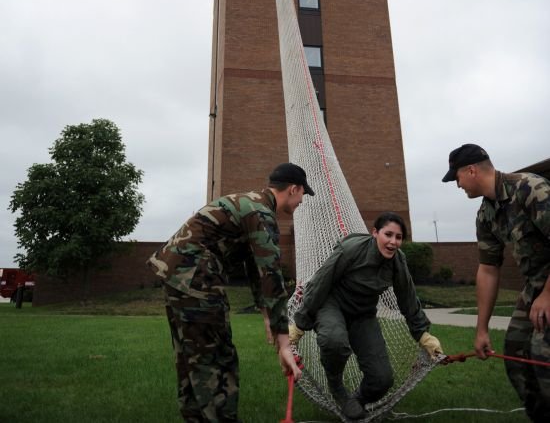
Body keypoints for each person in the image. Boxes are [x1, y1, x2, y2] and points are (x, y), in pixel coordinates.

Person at [148, 162, 313, 422]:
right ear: (293, 189)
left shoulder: (250, 203)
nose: (302, 200)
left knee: (193, 353)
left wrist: (267, 316)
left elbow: (255, 267)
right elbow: (270, 274)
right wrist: (284, 342)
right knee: (217, 357)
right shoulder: (261, 213)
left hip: (176, 274)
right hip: (196, 276)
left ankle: (196, 417)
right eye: (303, 193)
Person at [289, 212, 443, 419]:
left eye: (398, 237)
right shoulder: (351, 250)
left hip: (362, 314)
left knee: (382, 379)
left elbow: (408, 298)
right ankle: (337, 387)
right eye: (388, 234)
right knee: (334, 341)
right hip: (331, 305)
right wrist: (300, 325)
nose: (393, 242)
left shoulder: (397, 261)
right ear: (375, 233)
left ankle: (356, 400)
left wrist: (423, 335)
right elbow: (320, 283)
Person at [443, 144, 550, 422]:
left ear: (471, 170)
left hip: (547, 288)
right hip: (535, 286)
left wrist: (547, 295)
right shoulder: (485, 215)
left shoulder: (530, 189)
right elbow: (488, 270)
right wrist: (481, 329)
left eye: (456, 177)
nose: (457, 185)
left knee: (543, 356)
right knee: (516, 354)